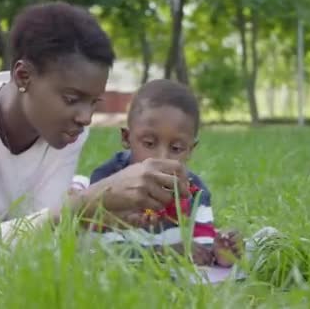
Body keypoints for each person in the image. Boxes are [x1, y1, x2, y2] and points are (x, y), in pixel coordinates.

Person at [0, 2, 191, 250]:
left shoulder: (68, 130)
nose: (86, 118)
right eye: (72, 98)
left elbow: (40, 230)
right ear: (23, 77)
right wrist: (84, 204)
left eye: (94, 103)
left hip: (3, 214)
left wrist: (97, 213)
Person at [88, 79, 242, 267]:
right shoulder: (108, 181)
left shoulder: (194, 191)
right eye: (149, 144)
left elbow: (201, 248)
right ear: (127, 138)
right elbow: (99, 250)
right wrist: (162, 253)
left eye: (176, 148)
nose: (162, 158)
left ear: (190, 149)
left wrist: (220, 253)